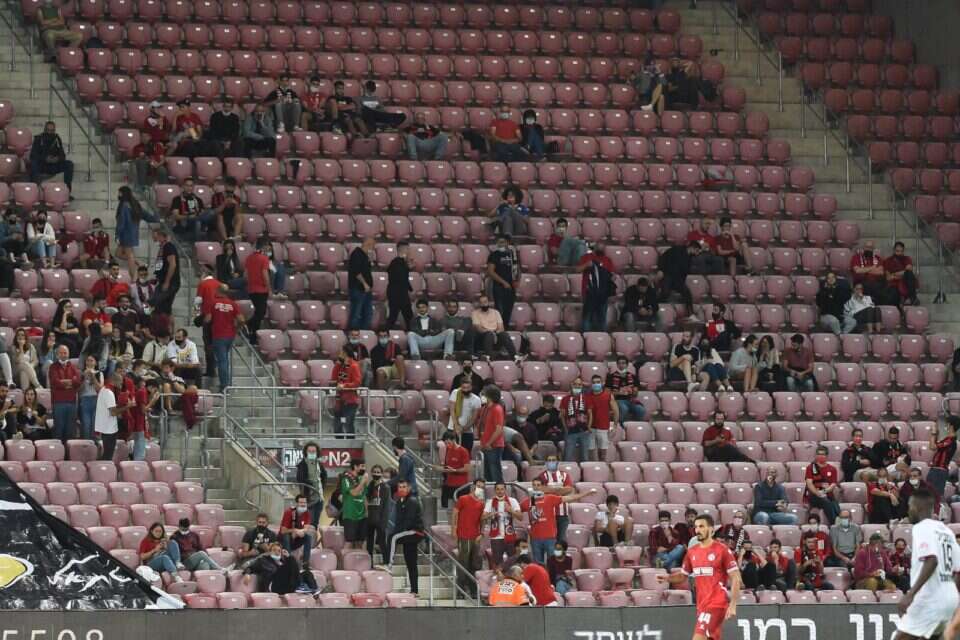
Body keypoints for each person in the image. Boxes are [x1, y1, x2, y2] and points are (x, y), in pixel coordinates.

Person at [657, 513, 742, 640]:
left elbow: (735, 578)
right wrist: (668, 578)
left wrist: (733, 604)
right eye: (696, 527)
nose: (698, 530)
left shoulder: (722, 550)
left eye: (702, 526)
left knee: (699, 637)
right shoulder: (692, 552)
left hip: (716, 603)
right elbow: (683, 576)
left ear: (711, 529)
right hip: (702, 605)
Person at [894, 488, 960, 640]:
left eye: (910, 506)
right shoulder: (947, 531)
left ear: (917, 507)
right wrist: (953, 595)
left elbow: (932, 559)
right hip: (949, 598)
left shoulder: (922, 527)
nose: (908, 511)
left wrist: (910, 595)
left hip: (930, 597)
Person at [521, 477, 595, 564]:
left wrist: (586, 493)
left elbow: (570, 497)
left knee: (553, 563)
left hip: (550, 538)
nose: (536, 487)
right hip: (535, 539)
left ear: (543, 487)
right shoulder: (528, 502)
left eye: (538, 485)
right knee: (538, 564)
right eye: (534, 485)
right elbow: (517, 510)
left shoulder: (550, 498)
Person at [387, 479, 424, 594]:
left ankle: (388, 564)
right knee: (411, 562)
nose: (401, 489)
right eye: (400, 487)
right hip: (407, 534)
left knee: (393, 537)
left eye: (404, 487)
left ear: (408, 488)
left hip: (415, 531)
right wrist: (398, 530)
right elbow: (399, 521)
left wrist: (398, 532)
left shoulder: (412, 501)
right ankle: (414, 591)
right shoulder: (399, 502)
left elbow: (408, 521)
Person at [452, 478, 485, 594]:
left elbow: (482, 520)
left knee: (475, 563)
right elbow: (455, 513)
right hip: (463, 535)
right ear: (473, 486)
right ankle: (460, 590)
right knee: (463, 563)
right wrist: (453, 530)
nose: (480, 489)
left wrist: (482, 534)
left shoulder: (481, 503)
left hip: (475, 537)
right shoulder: (463, 499)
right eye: (478, 486)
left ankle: (473, 589)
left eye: (482, 487)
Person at [206, 287, 243, 391]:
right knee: (224, 360)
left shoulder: (213, 303)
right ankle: (226, 383)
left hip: (218, 335)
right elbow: (241, 319)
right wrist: (237, 328)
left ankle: (224, 386)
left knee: (222, 361)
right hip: (230, 336)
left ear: (218, 291)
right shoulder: (233, 304)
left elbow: (208, 319)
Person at [577, 242, 617, 332]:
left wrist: (611, 278)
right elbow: (577, 269)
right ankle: (585, 337)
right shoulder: (586, 257)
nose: (601, 250)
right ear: (595, 248)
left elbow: (613, 275)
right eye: (599, 248)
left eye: (602, 249)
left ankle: (601, 338)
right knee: (587, 317)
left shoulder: (607, 260)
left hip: (603, 294)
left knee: (602, 318)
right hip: (589, 293)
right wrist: (586, 265)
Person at [29, 120, 74, 197]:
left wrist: (57, 159)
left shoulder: (57, 139)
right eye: (48, 130)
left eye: (52, 130)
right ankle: (34, 191)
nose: (50, 132)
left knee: (69, 164)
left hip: (54, 165)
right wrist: (45, 158)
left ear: (54, 130)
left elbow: (62, 155)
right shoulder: (38, 139)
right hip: (43, 165)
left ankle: (67, 192)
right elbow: (33, 155)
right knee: (33, 163)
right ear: (45, 130)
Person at [483, 482, 522, 569]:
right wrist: (491, 514)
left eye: (502, 489)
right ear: (495, 490)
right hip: (496, 537)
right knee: (497, 563)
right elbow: (482, 517)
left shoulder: (512, 501)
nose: (500, 491)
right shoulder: (490, 502)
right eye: (498, 489)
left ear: (505, 490)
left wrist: (510, 510)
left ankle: (512, 577)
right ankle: (499, 577)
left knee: (513, 562)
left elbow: (520, 517)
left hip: (510, 536)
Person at [657, 242, 700, 320]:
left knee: (687, 293)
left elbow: (685, 272)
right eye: (696, 250)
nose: (697, 253)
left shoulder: (690, 258)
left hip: (678, 279)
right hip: (668, 275)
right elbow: (663, 258)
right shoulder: (676, 249)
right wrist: (660, 269)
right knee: (665, 293)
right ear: (692, 248)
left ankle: (691, 314)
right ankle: (657, 307)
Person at [537, 453, 573, 543]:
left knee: (562, 540)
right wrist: (560, 490)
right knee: (550, 540)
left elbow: (569, 489)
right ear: (546, 462)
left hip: (563, 513)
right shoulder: (542, 476)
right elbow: (542, 490)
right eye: (549, 460)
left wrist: (550, 490)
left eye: (553, 460)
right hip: (548, 514)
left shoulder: (564, 475)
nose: (551, 462)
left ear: (557, 462)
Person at [486, 234, 520, 328]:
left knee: (508, 312)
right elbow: (490, 272)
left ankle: (505, 330)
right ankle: (498, 331)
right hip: (499, 287)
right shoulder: (494, 255)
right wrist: (503, 282)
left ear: (507, 243)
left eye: (503, 242)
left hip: (511, 287)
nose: (500, 244)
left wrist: (517, 280)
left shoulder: (513, 254)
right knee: (499, 311)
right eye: (499, 242)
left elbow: (517, 268)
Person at [48, 345, 80, 442]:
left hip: (72, 403)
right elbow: (55, 382)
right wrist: (70, 382)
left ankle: (69, 450)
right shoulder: (53, 367)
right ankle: (58, 450)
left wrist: (64, 382)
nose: (63, 355)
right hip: (58, 403)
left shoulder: (73, 367)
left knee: (71, 430)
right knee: (59, 429)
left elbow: (77, 382)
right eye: (61, 353)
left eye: (65, 353)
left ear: (68, 354)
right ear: (57, 354)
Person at [244, 237, 272, 346]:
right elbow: (265, 275)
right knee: (260, 313)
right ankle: (250, 331)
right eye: (268, 246)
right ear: (264, 246)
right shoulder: (264, 259)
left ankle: (250, 330)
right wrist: (269, 289)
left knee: (259, 312)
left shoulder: (249, 258)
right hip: (261, 289)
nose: (269, 248)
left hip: (251, 289)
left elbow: (246, 275)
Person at [475, 385, 505, 483]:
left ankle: (500, 491)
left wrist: (489, 443)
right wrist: (482, 442)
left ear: (489, 396)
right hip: (485, 445)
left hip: (494, 446)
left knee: (495, 474)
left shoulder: (497, 409)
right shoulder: (485, 408)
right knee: (487, 475)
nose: (482, 396)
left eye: (484, 394)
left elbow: (499, 429)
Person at [471, 293, 515, 361]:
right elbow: (479, 328)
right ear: (479, 304)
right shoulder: (475, 313)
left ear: (488, 302)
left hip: (496, 335)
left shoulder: (496, 312)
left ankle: (515, 357)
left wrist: (495, 333)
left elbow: (501, 328)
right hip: (482, 337)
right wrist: (491, 332)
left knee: (504, 334)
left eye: (485, 302)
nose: (484, 304)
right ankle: (489, 358)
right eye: (481, 303)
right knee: (489, 335)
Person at [805, 445, 841, 525]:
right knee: (827, 503)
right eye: (819, 454)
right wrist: (817, 493)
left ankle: (840, 522)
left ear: (827, 456)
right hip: (814, 495)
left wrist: (824, 491)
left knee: (835, 505)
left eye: (823, 454)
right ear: (816, 455)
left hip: (827, 494)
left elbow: (833, 484)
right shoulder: (811, 468)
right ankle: (834, 524)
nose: (821, 456)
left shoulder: (832, 469)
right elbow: (809, 483)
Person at [151, 227, 180, 327]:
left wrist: (167, 282)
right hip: (162, 281)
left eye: (155, 235)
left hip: (170, 283)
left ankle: (164, 328)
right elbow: (160, 265)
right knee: (167, 309)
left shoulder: (168, 247)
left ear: (160, 236)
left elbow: (172, 264)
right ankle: (170, 330)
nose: (153, 237)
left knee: (157, 305)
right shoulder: (162, 248)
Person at [585, 374, 618, 462]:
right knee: (590, 452)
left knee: (602, 454)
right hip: (590, 428)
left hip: (603, 427)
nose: (596, 384)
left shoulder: (608, 395)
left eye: (598, 382)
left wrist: (615, 425)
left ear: (602, 383)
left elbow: (616, 411)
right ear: (591, 384)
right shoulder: (586, 396)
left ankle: (602, 467)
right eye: (594, 382)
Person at [331, 346, 362, 438]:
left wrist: (344, 386)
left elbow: (357, 382)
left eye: (341, 353)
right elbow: (333, 378)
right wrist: (337, 364)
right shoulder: (341, 366)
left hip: (350, 401)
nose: (339, 354)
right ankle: (339, 443)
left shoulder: (354, 366)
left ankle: (351, 443)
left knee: (348, 424)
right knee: (337, 425)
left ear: (345, 353)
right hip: (339, 400)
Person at [295, 441, 327, 527]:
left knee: (315, 524)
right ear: (306, 452)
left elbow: (324, 477)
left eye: (314, 451)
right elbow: (300, 479)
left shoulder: (319, 463)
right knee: (308, 524)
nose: (312, 453)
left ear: (317, 452)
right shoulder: (302, 464)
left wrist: (322, 487)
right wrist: (311, 485)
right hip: (309, 499)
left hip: (319, 498)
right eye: (310, 451)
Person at [605, 356, 645, 425]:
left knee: (641, 409)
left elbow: (635, 393)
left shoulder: (633, 376)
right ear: (617, 365)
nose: (621, 365)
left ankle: (634, 425)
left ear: (627, 365)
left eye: (623, 363)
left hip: (630, 400)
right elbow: (606, 393)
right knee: (624, 408)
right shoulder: (610, 377)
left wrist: (633, 391)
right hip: (617, 400)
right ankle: (620, 425)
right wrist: (619, 393)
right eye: (619, 363)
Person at [339, 459, 370, 549]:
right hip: (350, 515)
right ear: (355, 466)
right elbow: (354, 493)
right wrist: (363, 482)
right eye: (362, 466)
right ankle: (342, 558)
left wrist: (367, 512)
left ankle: (358, 558)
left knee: (360, 542)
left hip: (362, 515)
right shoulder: (346, 478)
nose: (364, 468)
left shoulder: (361, 478)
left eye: (364, 466)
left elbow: (364, 496)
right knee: (349, 542)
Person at [436, 430, 470, 508]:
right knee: (447, 508)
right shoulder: (448, 450)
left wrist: (455, 470)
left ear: (454, 440)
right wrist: (438, 468)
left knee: (461, 509)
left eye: (449, 443)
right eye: (445, 443)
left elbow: (466, 469)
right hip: (449, 484)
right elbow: (447, 466)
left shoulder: (463, 451)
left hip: (460, 486)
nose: (447, 445)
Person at [279, 494, 316, 567]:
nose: (303, 504)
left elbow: (306, 528)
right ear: (296, 503)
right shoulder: (289, 512)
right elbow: (283, 531)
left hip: (296, 540)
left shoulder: (307, 513)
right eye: (301, 502)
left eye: (304, 502)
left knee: (308, 537)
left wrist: (302, 531)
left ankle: (305, 563)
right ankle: (289, 563)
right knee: (286, 536)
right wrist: (295, 530)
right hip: (284, 541)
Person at [385, 241, 414, 331]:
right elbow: (400, 279)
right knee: (396, 316)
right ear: (403, 249)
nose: (409, 251)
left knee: (406, 316)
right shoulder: (396, 263)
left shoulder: (401, 263)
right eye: (407, 249)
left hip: (399, 293)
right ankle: (386, 333)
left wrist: (410, 289)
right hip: (397, 294)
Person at [365, 464, 391, 564]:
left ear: (381, 473)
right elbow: (366, 499)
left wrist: (384, 521)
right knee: (369, 543)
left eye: (378, 472)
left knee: (382, 542)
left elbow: (387, 506)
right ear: (371, 473)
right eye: (374, 472)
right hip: (370, 518)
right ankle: (369, 563)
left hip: (380, 519)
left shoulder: (385, 487)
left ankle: (386, 562)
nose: (376, 474)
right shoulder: (370, 486)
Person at [347, 237, 374, 331]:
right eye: (372, 246)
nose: (373, 249)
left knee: (368, 313)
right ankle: (353, 334)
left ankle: (364, 333)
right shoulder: (357, 254)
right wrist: (365, 284)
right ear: (368, 245)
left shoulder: (365, 256)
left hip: (366, 290)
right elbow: (356, 272)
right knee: (356, 313)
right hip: (358, 289)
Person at [927, 415, 957, 498]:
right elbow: (934, 445)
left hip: (939, 471)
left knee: (935, 497)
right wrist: (935, 434)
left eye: (947, 423)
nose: (945, 425)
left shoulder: (950, 440)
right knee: (929, 496)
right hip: (937, 470)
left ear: (950, 426)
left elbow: (932, 447)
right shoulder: (948, 439)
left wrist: (933, 433)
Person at [448, 378, 481, 453]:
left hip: (467, 431)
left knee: (466, 453)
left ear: (471, 387)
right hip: (453, 429)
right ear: (461, 387)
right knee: (452, 454)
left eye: (468, 388)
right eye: (464, 388)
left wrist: (463, 428)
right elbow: (452, 410)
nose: (466, 390)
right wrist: (456, 426)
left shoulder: (476, 400)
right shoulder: (455, 393)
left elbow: (474, 418)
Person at [885, 241, 919, 306]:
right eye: (897, 251)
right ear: (894, 250)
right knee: (892, 296)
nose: (899, 253)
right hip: (894, 285)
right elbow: (888, 278)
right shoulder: (888, 260)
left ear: (904, 251)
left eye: (901, 251)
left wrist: (894, 274)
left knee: (909, 274)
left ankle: (911, 298)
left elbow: (908, 270)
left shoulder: (907, 258)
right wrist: (902, 273)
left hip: (906, 281)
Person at [210, 177, 243, 243]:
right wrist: (224, 203)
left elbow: (237, 213)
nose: (229, 193)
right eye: (228, 191)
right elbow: (215, 212)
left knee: (240, 217)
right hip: (217, 219)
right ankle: (226, 240)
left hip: (231, 219)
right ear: (225, 186)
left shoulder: (237, 198)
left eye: (231, 192)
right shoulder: (216, 196)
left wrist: (236, 204)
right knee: (220, 216)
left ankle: (235, 238)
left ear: (234, 188)